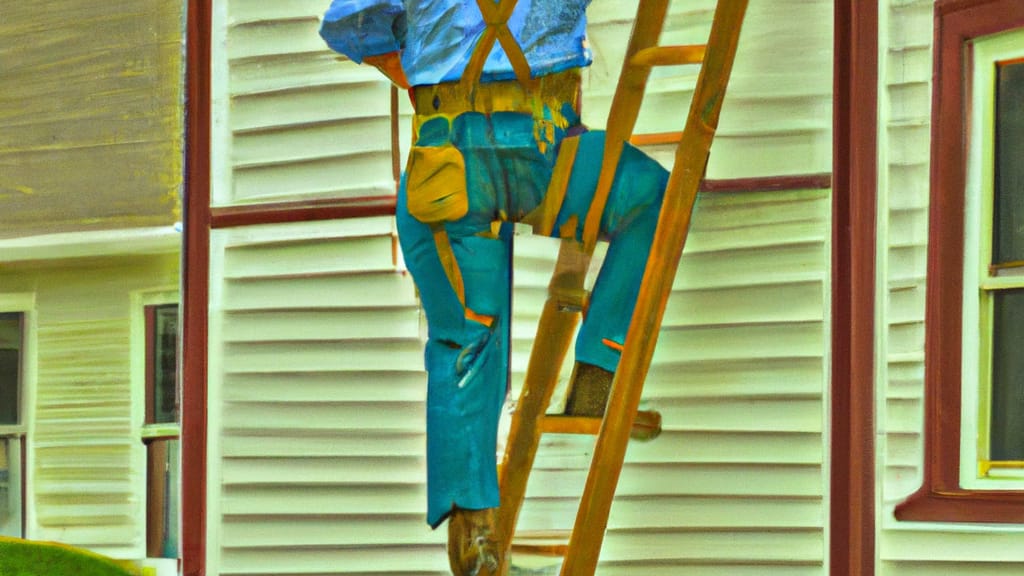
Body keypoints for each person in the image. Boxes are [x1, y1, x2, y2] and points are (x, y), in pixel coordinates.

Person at [319, 2, 668, 573]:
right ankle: (598, 374)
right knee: (652, 199)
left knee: (468, 341)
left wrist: (439, 82)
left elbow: (352, 22)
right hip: (542, 145)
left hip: (453, 156)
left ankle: (476, 537)